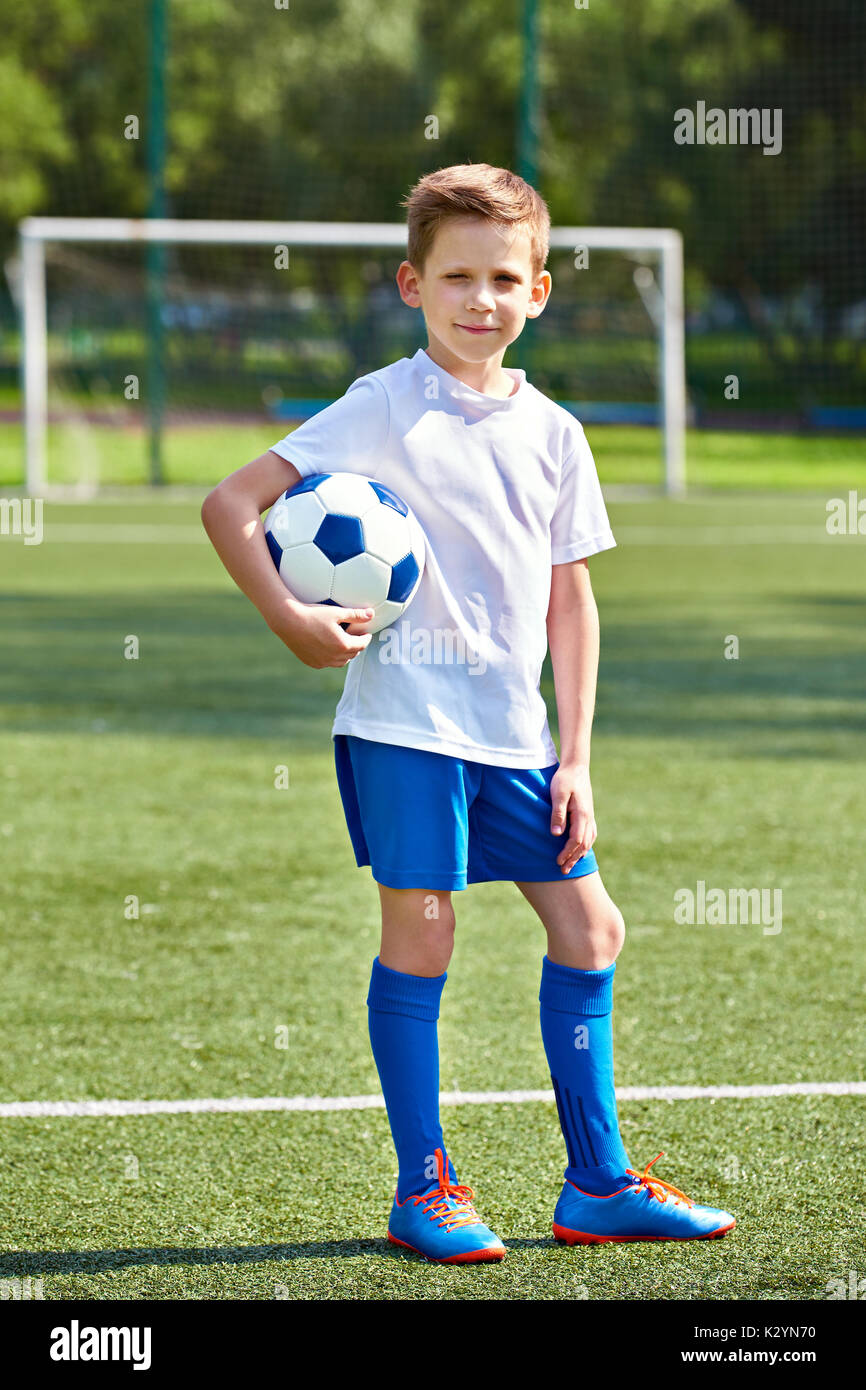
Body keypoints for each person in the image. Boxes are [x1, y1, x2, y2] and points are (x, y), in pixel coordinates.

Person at [201, 162, 736, 1264]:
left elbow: (569, 598)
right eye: (455, 277)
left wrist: (576, 757)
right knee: (425, 937)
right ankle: (424, 1187)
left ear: (537, 291)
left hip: (516, 741)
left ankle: (595, 1184)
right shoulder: (379, 405)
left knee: (591, 929)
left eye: (502, 277)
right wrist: (287, 619)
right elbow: (231, 504)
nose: (478, 299)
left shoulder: (553, 433)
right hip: (403, 727)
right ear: (413, 283)